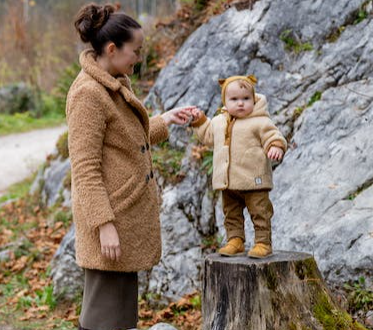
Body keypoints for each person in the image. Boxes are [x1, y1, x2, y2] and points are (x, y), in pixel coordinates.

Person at [66, 3, 197, 330]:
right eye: (135, 51)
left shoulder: (113, 80)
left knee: (121, 318)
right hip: (109, 222)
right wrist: (104, 225)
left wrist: (164, 120)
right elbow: (84, 169)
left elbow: (126, 141)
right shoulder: (88, 94)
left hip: (123, 219)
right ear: (112, 49)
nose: (139, 57)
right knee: (101, 319)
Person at [190, 75, 287, 259]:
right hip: (229, 182)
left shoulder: (259, 121)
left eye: (246, 99)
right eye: (234, 99)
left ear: (254, 99)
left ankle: (263, 242)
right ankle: (235, 240)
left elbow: (272, 135)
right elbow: (208, 137)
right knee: (231, 214)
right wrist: (200, 120)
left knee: (260, 212)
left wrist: (275, 146)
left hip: (254, 180)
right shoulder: (219, 121)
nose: (240, 103)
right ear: (225, 101)